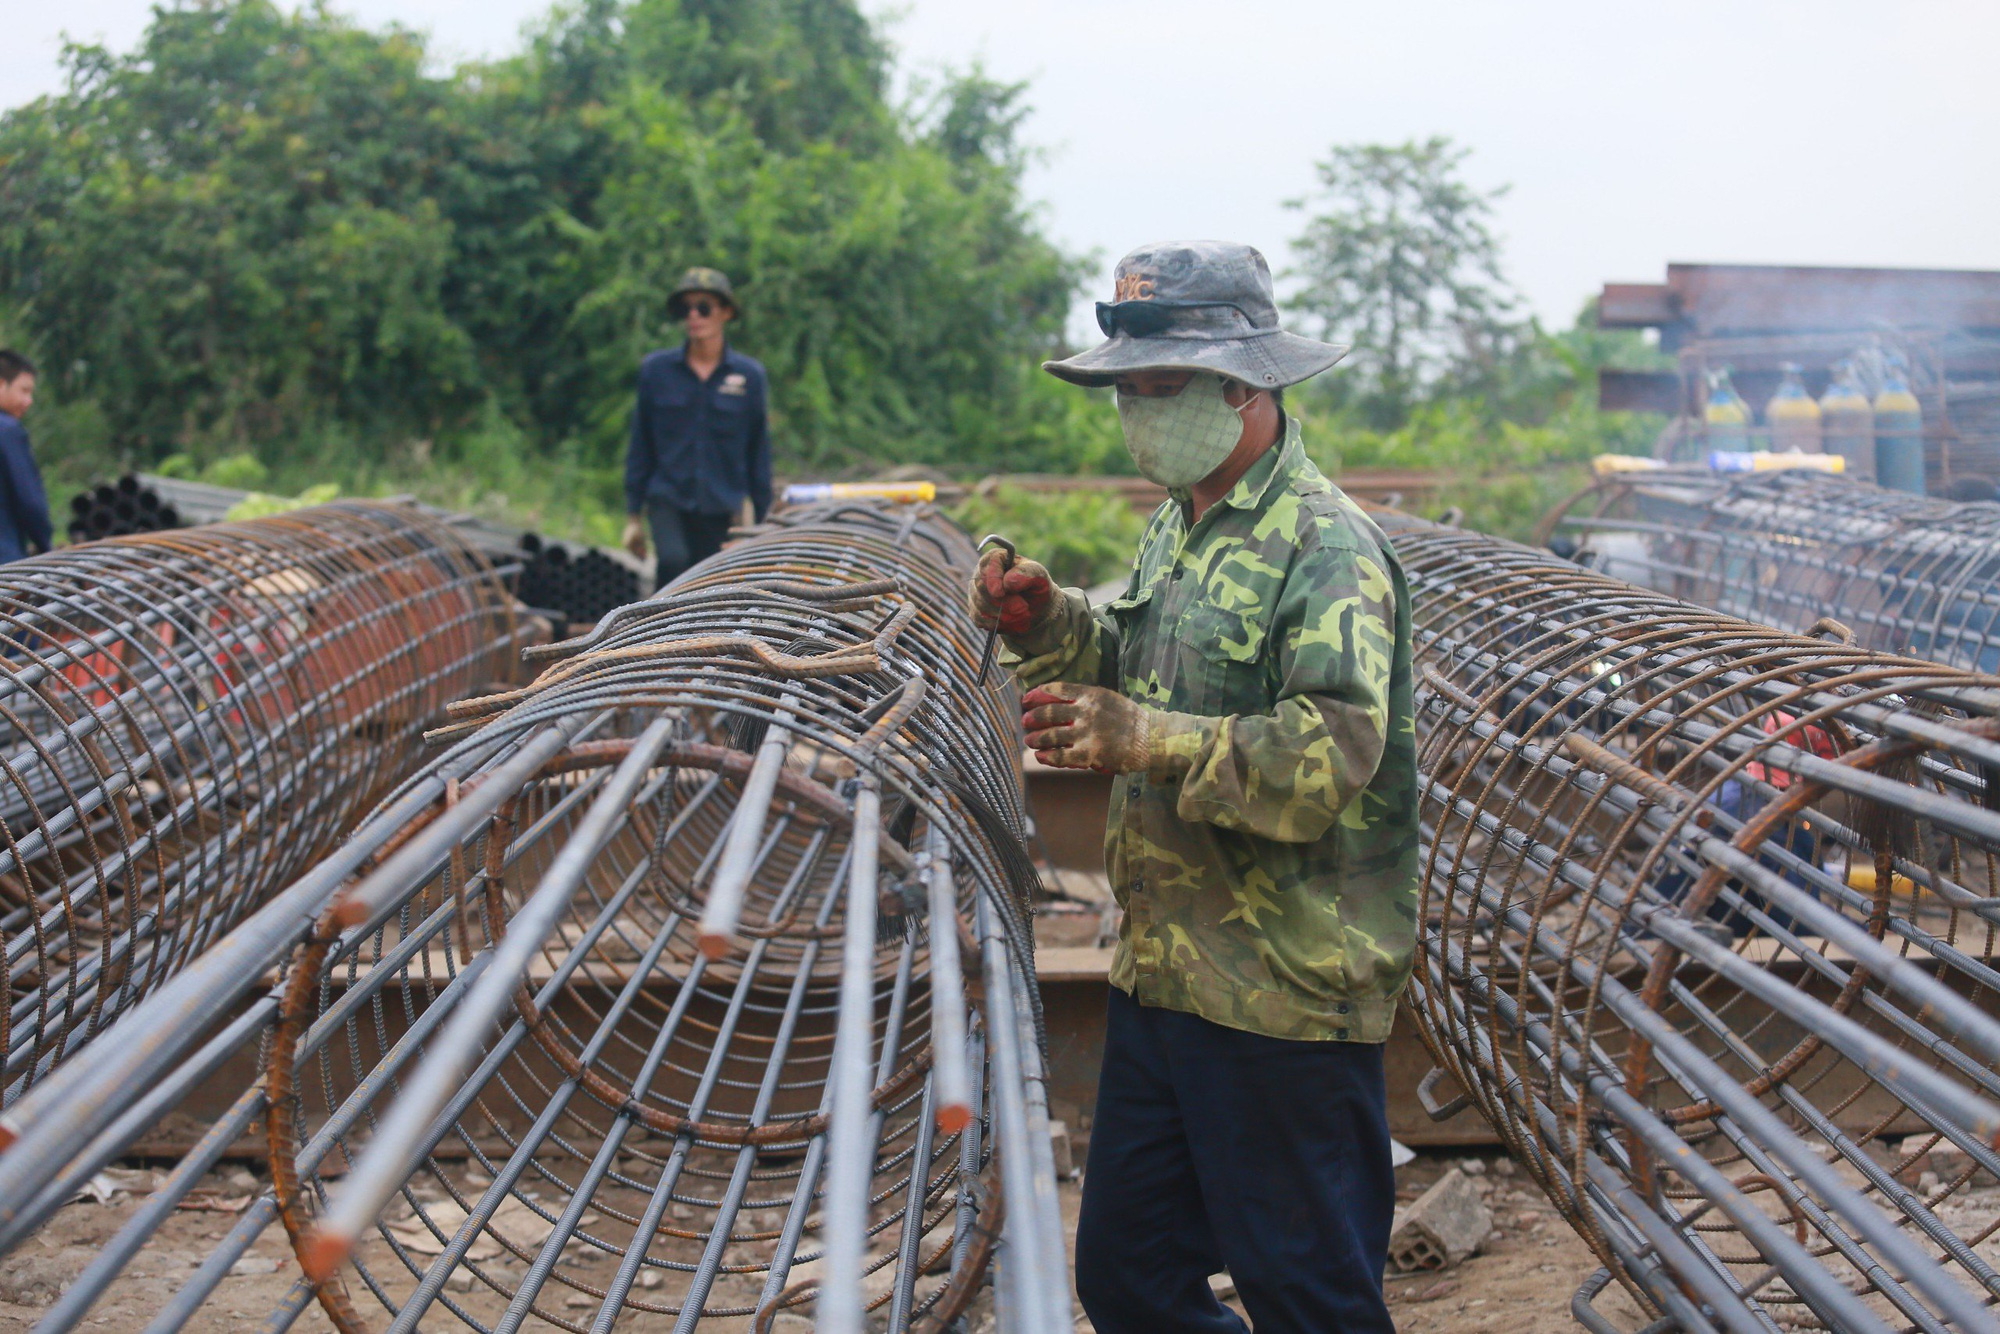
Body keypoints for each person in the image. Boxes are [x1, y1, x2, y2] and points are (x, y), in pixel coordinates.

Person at [971, 241, 1417, 1333]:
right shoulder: (1181, 521)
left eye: (1159, 386)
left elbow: (1325, 756)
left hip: (1279, 989)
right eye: (1128, 389)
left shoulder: (1326, 547)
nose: (1137, 412)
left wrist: (1148, 738)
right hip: (1166, 972)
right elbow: (1135, 657)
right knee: (1127, 1280)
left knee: (1307, 1294)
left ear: (1244, 387)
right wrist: (1050, 621)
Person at [623, 267, 771, 590]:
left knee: (708, 582)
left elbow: (758, 451)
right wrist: (633, 515)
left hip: (720, 503)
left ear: (726, 312)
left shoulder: (748, 377)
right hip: (668, 496)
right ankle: (658, 634)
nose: (693, 316)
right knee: (674, 562)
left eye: (703, 307)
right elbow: (641, 443)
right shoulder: (657, 371)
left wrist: (761, 520)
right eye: (685, 308)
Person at [0, 351, 53, 565]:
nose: (28, 401)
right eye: (24, 390)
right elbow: (30, 503)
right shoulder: (7, 430)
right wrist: (45, 545)